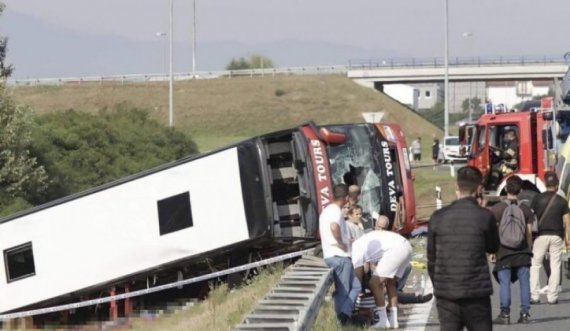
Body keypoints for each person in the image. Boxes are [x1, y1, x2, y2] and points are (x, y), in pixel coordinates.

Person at [427, 166, 500, 331]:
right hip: (476, 293)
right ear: (479, 188)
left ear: (456, 187)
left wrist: (439, 285)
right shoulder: (484, 216)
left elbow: (432, 259)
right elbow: (493, 247)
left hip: (447, 295)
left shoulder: (438, 217)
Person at [352, 215, 412, 329]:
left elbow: (358, 275)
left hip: (396, 249)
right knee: (391, 283)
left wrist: (355, 292)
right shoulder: (367, 239)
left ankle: (383, 321)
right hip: (406, 245)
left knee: (374, 283)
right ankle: (394, 321)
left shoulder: (355, 248)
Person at [489, 175, 533, 324]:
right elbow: (528, 233)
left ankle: (505, 314)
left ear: (506, 189)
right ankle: (525, 314)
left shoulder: (497, 209)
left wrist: (493, 251)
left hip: (504, 252)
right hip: (522, 253)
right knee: (525, 283)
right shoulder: (525, 209)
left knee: (505, 283)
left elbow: (493, 232)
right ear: (520, 190)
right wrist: (529, 249)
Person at [319, 183, 361, 325]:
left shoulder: (327, 210)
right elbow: (333, 226)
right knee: (344, 290)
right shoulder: (335, 211)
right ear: (346, 197)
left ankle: (344, 314)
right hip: (339, 256)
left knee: (356, 286)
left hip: (335, 255)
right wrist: (340, 243)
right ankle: (341, 322)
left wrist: (346, 240)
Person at [529, 171, 570, 304]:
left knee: (535, 265)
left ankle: (535, 296)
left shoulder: (537, 199)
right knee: (555, 264)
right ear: (557, 186)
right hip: (557, 236)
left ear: (545, 184)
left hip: (540, 235)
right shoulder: (562, 201)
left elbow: (530, 218)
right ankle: (552, 296)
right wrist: (568, 239)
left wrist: (529, 237)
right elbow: (567, 222)